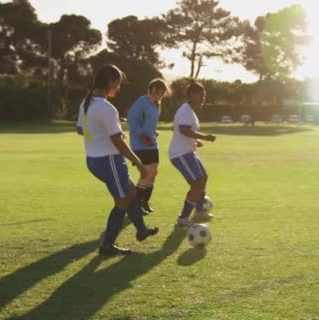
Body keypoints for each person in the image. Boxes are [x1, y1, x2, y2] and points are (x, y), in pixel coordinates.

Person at [76, 64, 158, 256]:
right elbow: (117, 141)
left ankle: (141, 230)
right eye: (118, 84)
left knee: (130, 192)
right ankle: (107, 245)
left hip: (94, 159)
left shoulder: (86, 103)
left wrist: (100, 132)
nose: (119, 88)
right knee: (122, 200)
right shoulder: (106, 108)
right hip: (109, 160)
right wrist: (138, 163)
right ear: (110, 82)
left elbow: (80, 129)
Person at [169, 81, 216, 226]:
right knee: (197, 183)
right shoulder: (186, 111)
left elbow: (176, 129)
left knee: (203, 178)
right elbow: (183, 129)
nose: (203, 99)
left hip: (188, 151)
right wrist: (204, 137)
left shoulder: (189, 111)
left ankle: (200, 211)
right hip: (180, 153)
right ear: (192, 95)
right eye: (201, 95)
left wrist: (194, 141)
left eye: (204, 96)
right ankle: (183, 218)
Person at [127, 79, 171, 213]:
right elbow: (131, 119)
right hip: (140, 144)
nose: (163, 95)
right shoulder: (142, 101)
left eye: (164, 92)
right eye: (161, 91)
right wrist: (143, 135)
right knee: (147, 173)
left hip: (152, 144)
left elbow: (148, 123)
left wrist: (152, 132)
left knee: (153, 174)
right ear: (153, 89)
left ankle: (144, 202)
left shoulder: (156, 104)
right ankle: (135, 205)